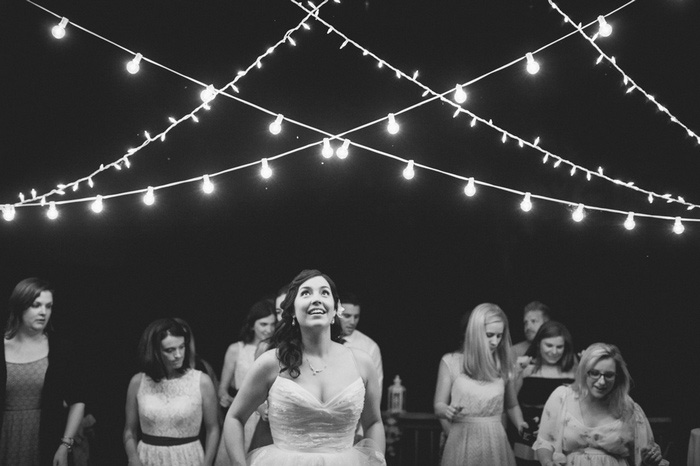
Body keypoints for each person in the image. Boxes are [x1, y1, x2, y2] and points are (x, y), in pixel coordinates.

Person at [222, 269, 386, 466]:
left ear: (335, 309)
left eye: (324, 293)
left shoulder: (362, 363)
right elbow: (234, 417)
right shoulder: (271, 363)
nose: (316, 299)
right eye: (306, 293)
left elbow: (374, 422)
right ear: (291, 311)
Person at [533, 342, 666, 466]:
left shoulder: (628, 407)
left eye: (608, 375)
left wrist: (651, 459)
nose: (601, 382)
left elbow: (644, 455)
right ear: (585, 372)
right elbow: (544, 442)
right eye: (595, 373)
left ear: (617, 376)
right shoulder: (562, 397)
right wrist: (547, 462)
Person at [1, 277, 86, 466]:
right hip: (6, 433)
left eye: (48, 306)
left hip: (45, 436)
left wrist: (65, 445)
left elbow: (77, 400)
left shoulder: (60, 349)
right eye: (36, 305)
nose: (43, 312)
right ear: (20, 306)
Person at [434, 303, 527, 466]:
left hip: (495, 440)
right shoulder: (451, 362)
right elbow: (438, 405)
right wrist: (446, 410)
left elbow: (511, 405)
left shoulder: (503, 364)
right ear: (475, 333)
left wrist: (520, 423)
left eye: (499, 336)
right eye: (490, 335)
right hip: (462, 439)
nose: (495, 341)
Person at [123, 318, 220, 466]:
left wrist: (207, 463)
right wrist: (133, 458)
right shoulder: (138, 382)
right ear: (155, 351)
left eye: (181, 347)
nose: (178, 354)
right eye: (170, 350)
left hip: (187, 457)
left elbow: (213, 429)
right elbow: (129, 430)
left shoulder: (201, 381)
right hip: (148, 457)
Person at [215, 299, 276, 462]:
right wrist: (226, 398)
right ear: (252, 324)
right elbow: (222, 388)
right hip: (244, 413)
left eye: (273, 324)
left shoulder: (277, 351)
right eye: (263, 324)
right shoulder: (236, 349)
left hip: (268, 418)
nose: (269, 330)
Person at [513, 321, 577, 466]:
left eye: (559, 347)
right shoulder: (526, 369)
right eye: (549, 345)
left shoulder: (572, 371)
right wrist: (516, 372)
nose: (554, 351)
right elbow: (511, 402)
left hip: (561, 439)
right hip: (529, 438)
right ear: (538, 344)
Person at [339, 292, 384, 393]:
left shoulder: (370, 347)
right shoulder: (323, 341)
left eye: (356, 317)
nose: (352, 322)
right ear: (335, 314)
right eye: (347, 316)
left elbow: (376, 389)